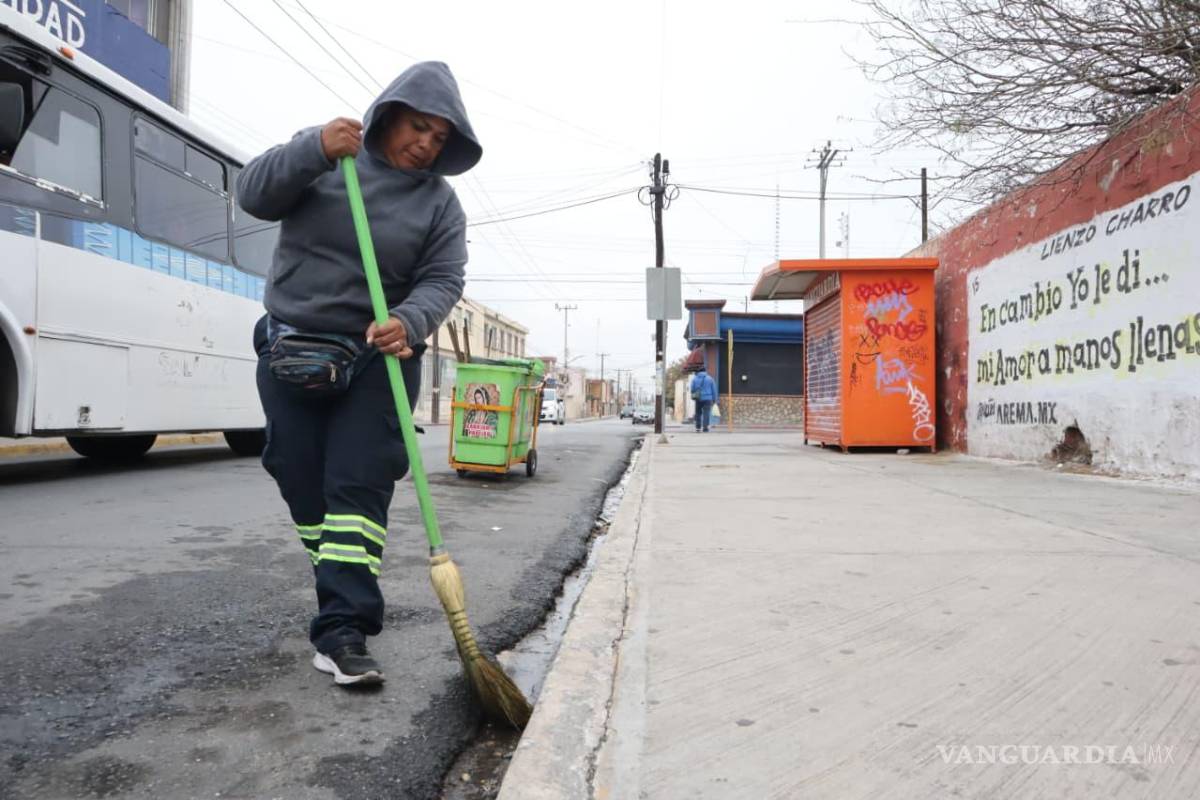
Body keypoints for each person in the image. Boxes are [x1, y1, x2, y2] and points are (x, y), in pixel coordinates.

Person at [238, 62, 482, 687]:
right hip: (293, 345)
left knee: (359, 485)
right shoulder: (326, 158)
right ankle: (338, 583)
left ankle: (344, 630)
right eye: (418, 127)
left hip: (379, 356)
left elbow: (444, 278)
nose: (426, 144)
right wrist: (312, 148)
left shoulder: (439, 204)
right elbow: (254, 193)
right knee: (299, 476)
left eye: (439, 138)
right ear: (388, 114)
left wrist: (410, 319)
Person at [690, 367, 717, 432]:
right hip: (708, 398)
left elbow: (692, 389)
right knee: (706, 413)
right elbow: (714, 390)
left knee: (698, 413)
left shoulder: (694, 379)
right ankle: (705, 428)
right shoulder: (710, 379)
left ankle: (698, 427)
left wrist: (695, 393)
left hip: (698, 398)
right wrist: (714, 399)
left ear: (698, 372)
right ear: (705, 371)